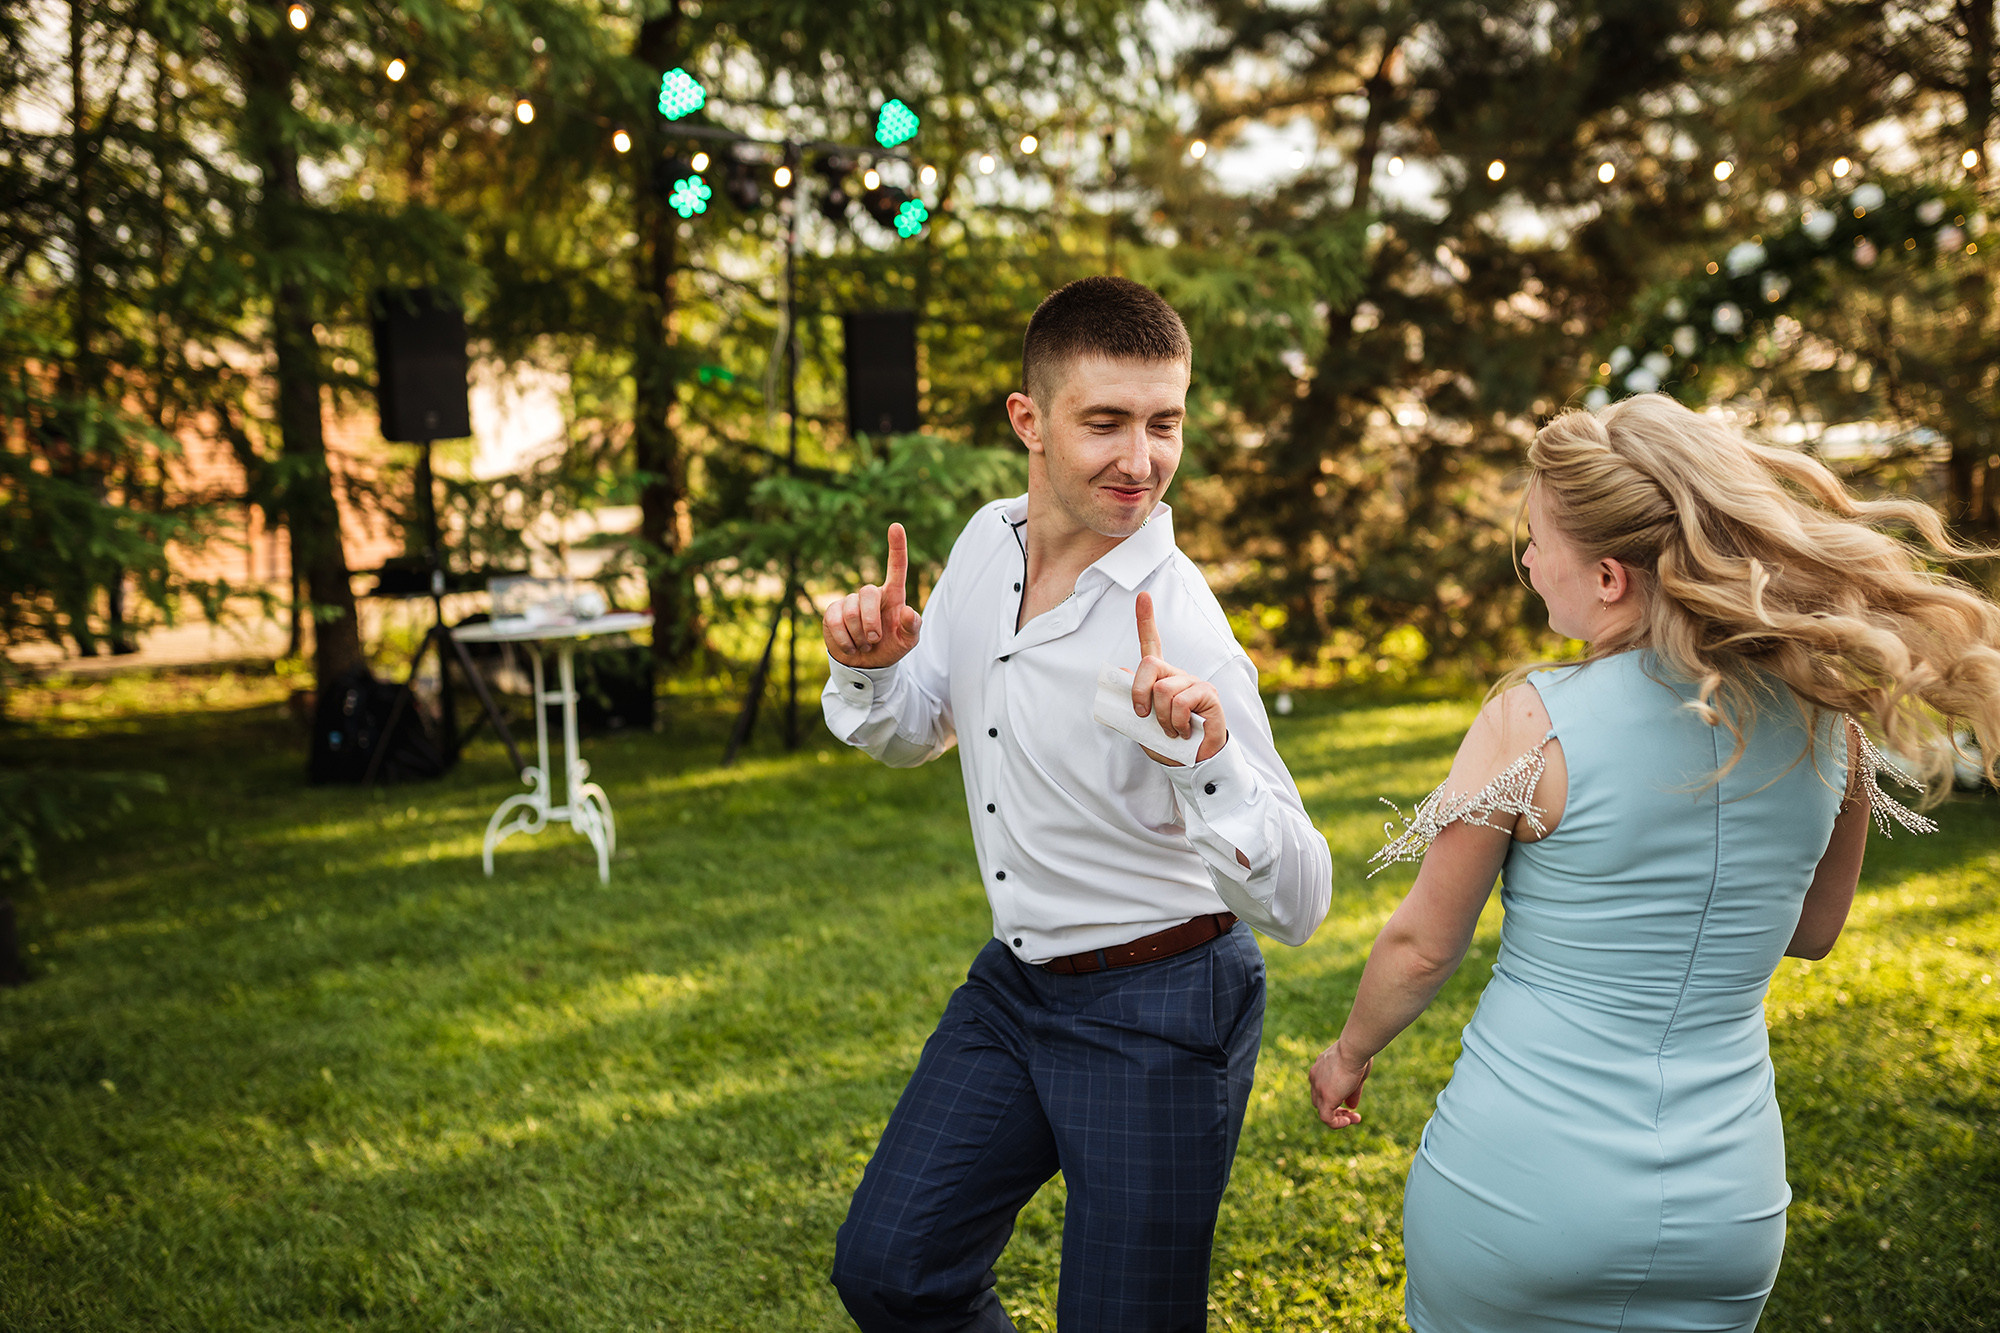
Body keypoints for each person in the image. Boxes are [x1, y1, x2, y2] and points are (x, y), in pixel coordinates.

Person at [1307, 392, 2000, 1332]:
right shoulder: (1827, 721)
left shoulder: (1531, 719)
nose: (1525, 561)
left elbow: (1423, 945)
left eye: (1535, 540)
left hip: (1522, 1187)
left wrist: (1348, 1053)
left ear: (1607, 577)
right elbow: (1812, 930)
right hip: (1727, 1203)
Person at [821, 276, 1333, 1332]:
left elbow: (1302, 902)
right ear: (1029, 419)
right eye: (1105, 422)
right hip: (1014, 988)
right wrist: (872, 671)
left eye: (1163, 423)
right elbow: (919, 729)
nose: (1140, 460)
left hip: (1164, 1002)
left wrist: (1208, 763)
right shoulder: (986, 542)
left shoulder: (1181, 624)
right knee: (891, 1269)